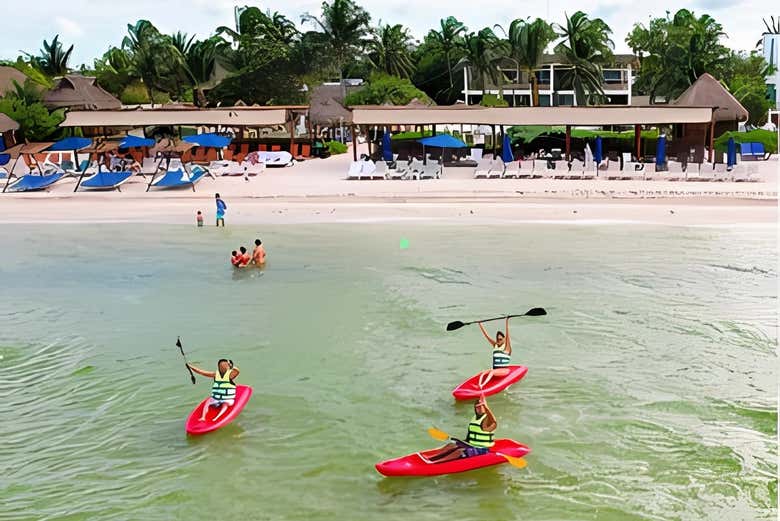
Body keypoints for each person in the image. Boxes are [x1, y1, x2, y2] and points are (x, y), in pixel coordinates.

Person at [427, 397, 496, 463]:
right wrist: (462, 442)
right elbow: (470, 435)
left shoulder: (487, 420)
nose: (479, 409)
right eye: (477, 407)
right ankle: (432, 457)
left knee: (459, 451)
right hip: (471, 444)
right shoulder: (475, 418)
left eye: (481, 407)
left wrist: (486, 406)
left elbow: (494, 422)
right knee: (451, 445)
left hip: (482, 449)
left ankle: (437, 462)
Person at [477, 317, 512, 387]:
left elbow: (508, 335)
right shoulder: (495, 345)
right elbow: (486, 336)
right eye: (497, 339)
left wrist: (507, 321)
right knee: (483, 373)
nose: (498, 340)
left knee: (492, 372)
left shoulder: (507, 348)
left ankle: (483, 385)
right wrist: (480, 324)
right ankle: (479, 385)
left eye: (500, 339)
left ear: (504, 339)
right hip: (496, 371)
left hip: (504, 371)